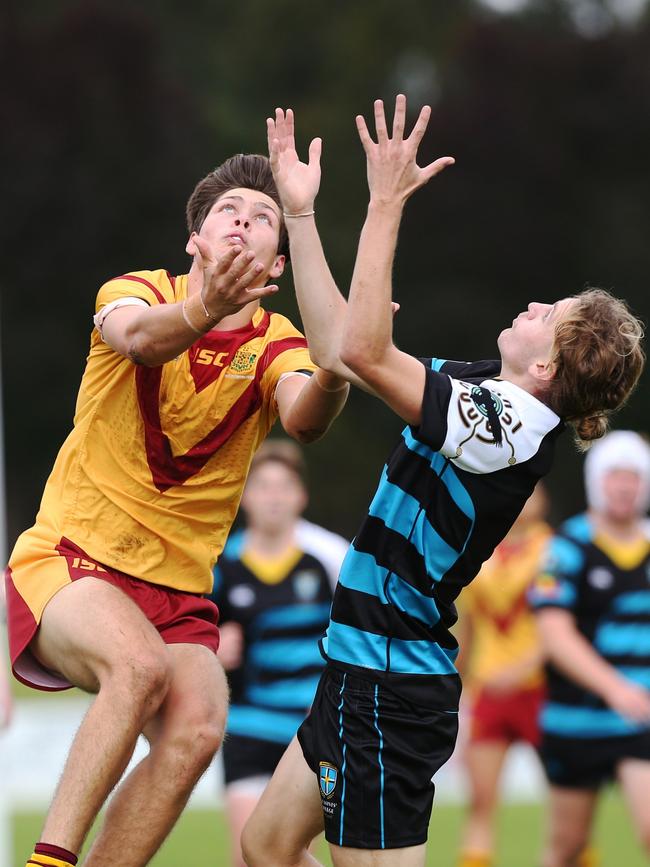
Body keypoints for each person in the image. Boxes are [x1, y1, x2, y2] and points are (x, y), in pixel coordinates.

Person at [240, 96, 646, 867]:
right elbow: (338, 348)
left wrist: (386, 200)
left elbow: (362, 348)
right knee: (264, 846)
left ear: (548, 366)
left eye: (549, 313)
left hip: (388, 683)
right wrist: (300, 216)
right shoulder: (484, 390)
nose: (533, 304)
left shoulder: (507, 426)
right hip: (357, 664)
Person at [4, 153, 350, 867]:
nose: (244, 223)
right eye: (230, 213)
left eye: (262, 219)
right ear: (195, 237)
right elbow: (137, 338)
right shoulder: (135, 290)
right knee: (139, 668)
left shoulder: (277, 341)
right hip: (73, 557)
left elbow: (307, 418)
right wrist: (205, 308)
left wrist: (338, 372)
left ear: (276, 260)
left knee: (200, 724)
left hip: (178, 591)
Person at [211, 439, 348, 867]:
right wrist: (213, 648)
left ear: (300, 496)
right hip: (249, 726)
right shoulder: (219, 565)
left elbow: (351, 640)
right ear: (245, 496)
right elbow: (190, 640)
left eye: (283, 487)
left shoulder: (327, 559)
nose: (273, 497)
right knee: (249, 853)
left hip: (312, 731)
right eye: (263, 486)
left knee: (297, 852)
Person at [529, 430, 650, 867]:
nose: (624, 485)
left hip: (642, 717)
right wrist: (615, 688)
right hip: (575, 717)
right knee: (568, 846)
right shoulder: (565, 548)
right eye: (615, 475)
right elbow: (554, 635)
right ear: (597, 480)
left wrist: (631, 696)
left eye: (634, 476)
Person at [455, 483, 551, 867]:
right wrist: (452, 686)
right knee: (480, 802)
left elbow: (562, 625)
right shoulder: (478, 553)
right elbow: (469, 629)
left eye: (533, 490)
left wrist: (528, 666)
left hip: (543, 689)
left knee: (569, 803)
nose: (524, 496)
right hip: (488, 689)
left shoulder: (553, 551)